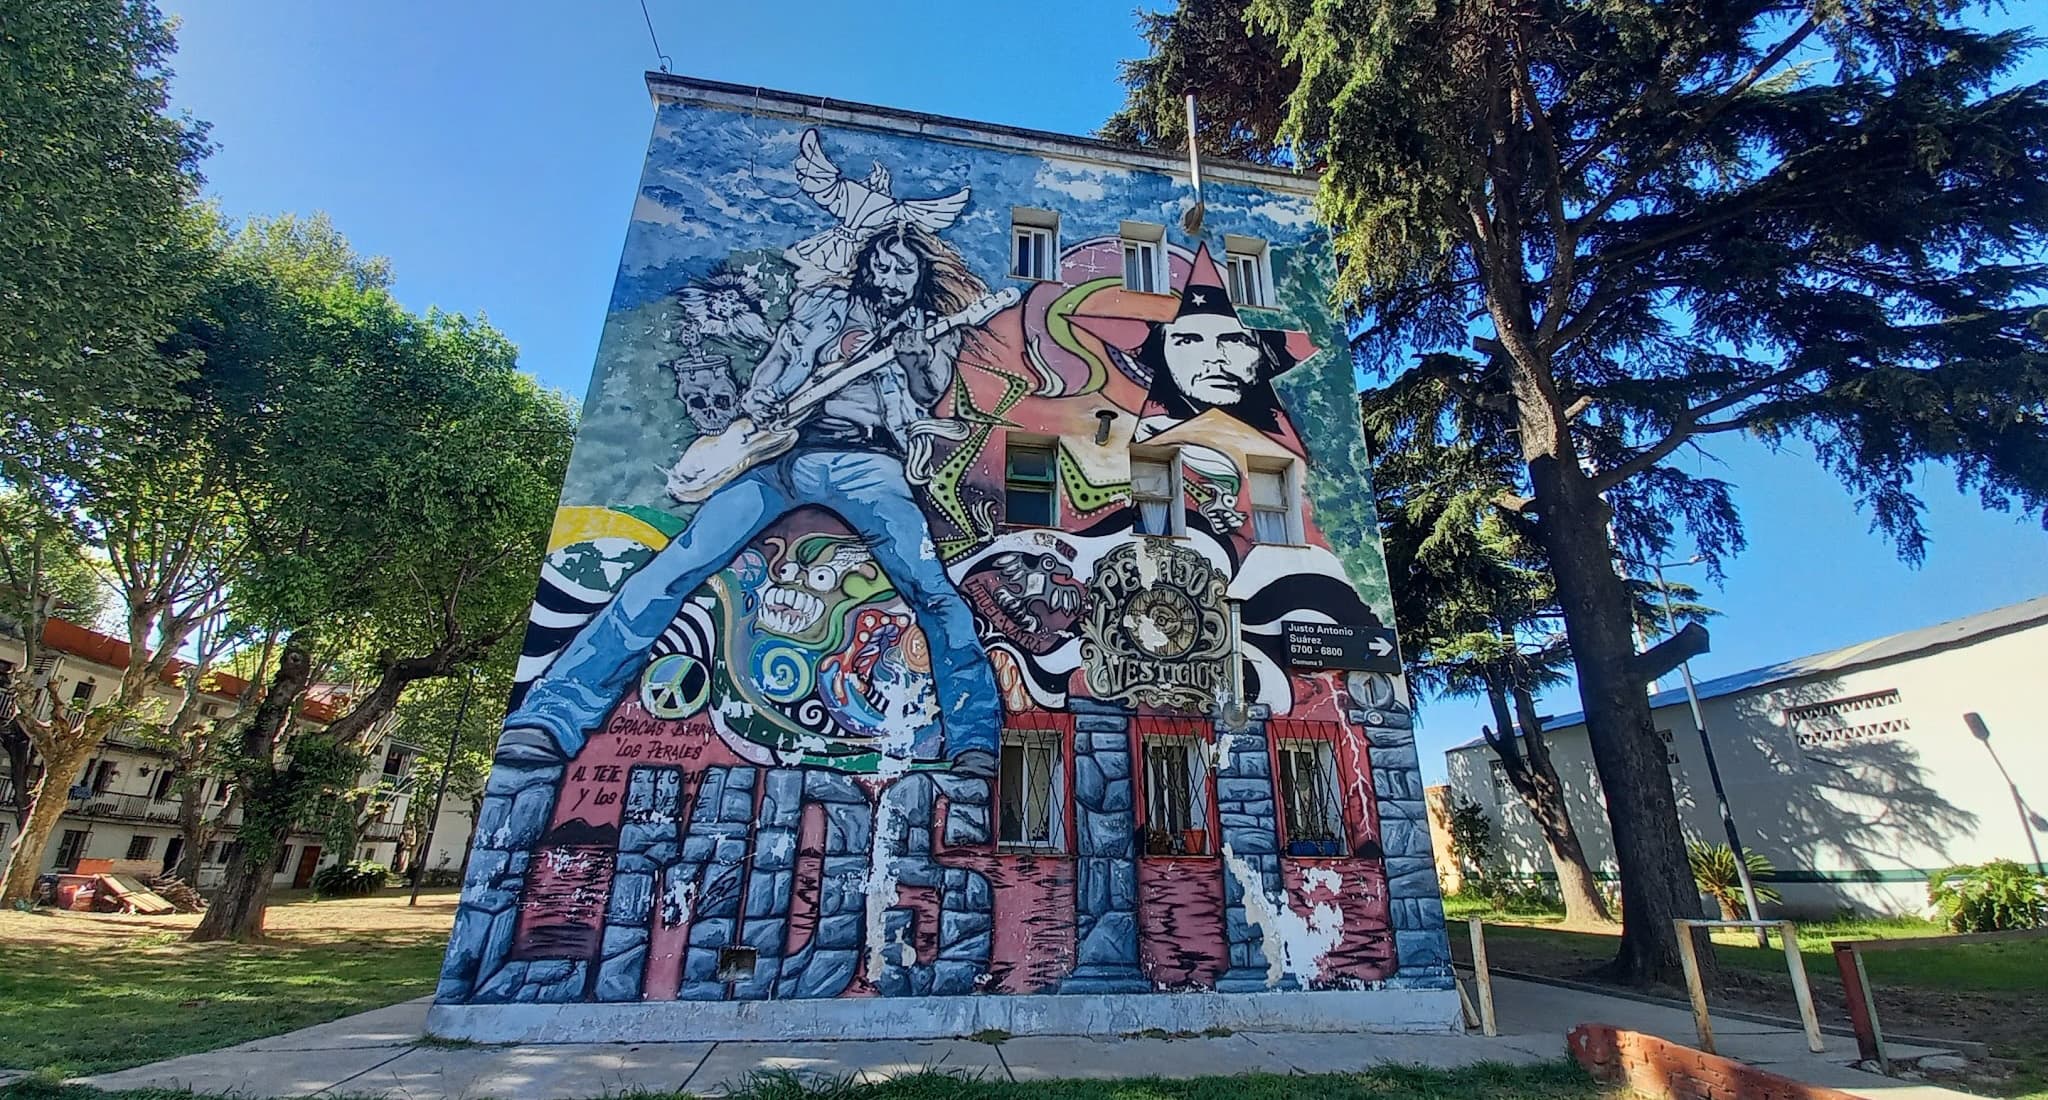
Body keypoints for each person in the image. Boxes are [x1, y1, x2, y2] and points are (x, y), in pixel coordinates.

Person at [497, 223, 1002, 775]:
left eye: (904, 268)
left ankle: (974, 738)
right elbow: (777, 367)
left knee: (932, 590)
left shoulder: (931, 327)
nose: (890, 276)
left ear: (921, 275)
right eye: (883, 263)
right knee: (678, 562)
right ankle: (553, 714)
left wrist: (910, 354)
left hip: (868, 463)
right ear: (868, 262)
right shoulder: (823, 305)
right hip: (779, 453)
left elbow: (929, 387)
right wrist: (763, 405)